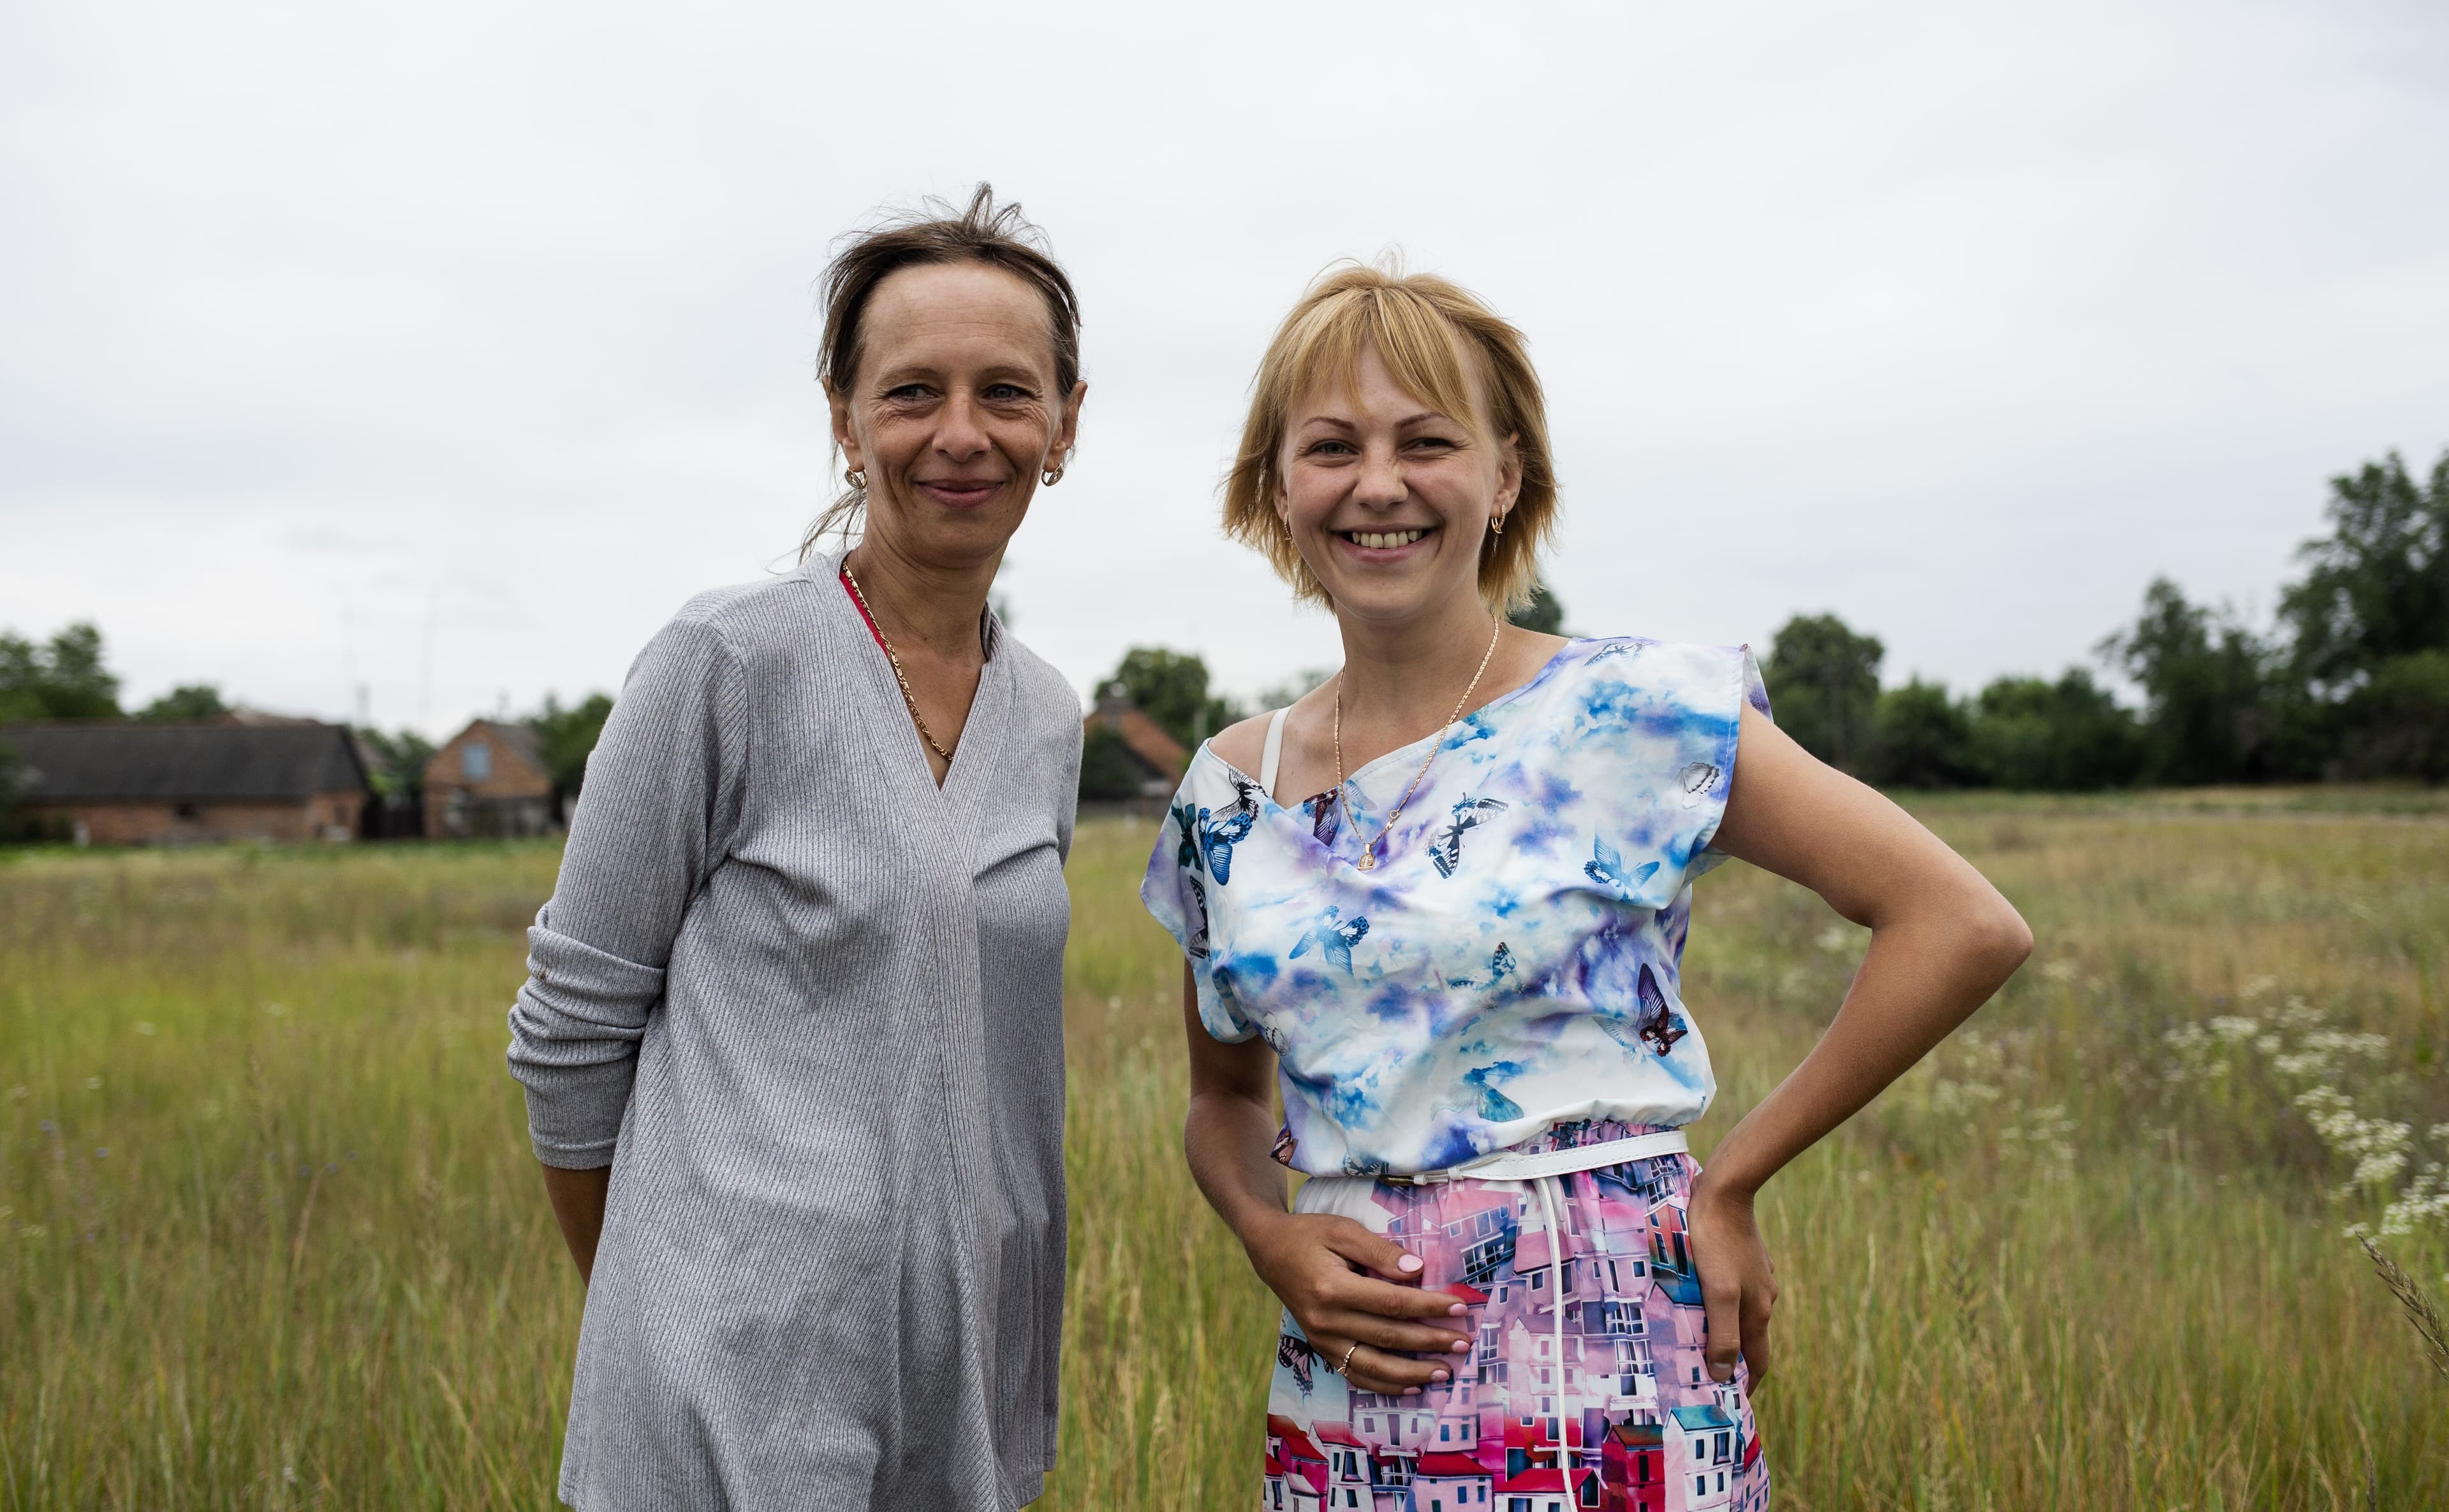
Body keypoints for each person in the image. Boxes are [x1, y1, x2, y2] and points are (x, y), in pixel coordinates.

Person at [1144, 264, 2031, 1509]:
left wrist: (1732, 1180)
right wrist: (1266, 1230)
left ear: (1506, 475)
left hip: (1616, 1350)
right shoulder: (1226, 798)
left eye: (1428, 441)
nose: (1379, 483)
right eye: (1332, 447)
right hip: (1358, 1381)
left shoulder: (1632, 711)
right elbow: (1221, 1097)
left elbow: (1960, 922)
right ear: (1278, 487)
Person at [507, 186, 1086, 1511]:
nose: (961, 434)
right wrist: (673, 1308)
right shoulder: (728, 662)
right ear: (843, 420)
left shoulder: (1047, 716)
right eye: (909, 392)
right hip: (733, 1401)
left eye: (1006, 392)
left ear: (1064, 425)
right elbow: (572, 1022)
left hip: (964, 1394)